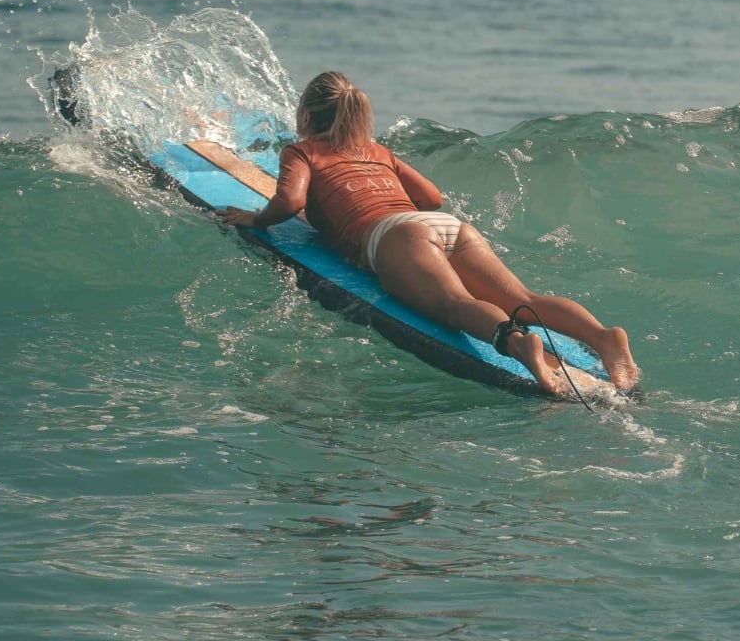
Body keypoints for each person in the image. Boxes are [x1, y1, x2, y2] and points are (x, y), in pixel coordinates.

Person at [218, 72, 640, 397]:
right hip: (446, 227)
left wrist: (257, 219)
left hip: (396, 236)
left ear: (306, 118)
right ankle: (604, 336)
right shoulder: (377, 152)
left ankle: (517, 346)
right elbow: (432, 198)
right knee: (522, 298)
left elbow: (289, 203)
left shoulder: (302, 151)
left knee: (458, 305)